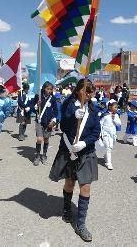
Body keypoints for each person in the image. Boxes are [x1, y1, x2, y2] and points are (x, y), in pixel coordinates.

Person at [49, 79, 101, 242]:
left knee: (85, 187)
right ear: (79, 90)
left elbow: (96, 131)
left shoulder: (93, 108)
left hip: (86, 152)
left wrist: (85, 142)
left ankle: (81, 224)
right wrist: (73, 117)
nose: (90, 94)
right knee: (70, 183)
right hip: (68, 149)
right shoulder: (68, 104)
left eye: (92, 91)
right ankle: (66, 209)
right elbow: (63, 126)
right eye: (87, 91)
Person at [33, 81, 58, 166]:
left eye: (51, 89)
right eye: (48, 89)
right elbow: (33, 108)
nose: (49, 91)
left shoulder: (53, 98)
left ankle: (44, 155)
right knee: (40, 139)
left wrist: (54, 121)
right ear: (44, 88)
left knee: (46, 139)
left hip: (49, 122)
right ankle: (37, 156)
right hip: (39, 121)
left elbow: (56, 111)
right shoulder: (38, 96)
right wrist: (36, 105)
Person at [100, 99, 121, 170]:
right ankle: (109, 163)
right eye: (115, 107)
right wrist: (99, 134)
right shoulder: (105, 115)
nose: (116, 108)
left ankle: (106, 156)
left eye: (117, 107)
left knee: (110, 147)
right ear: (109, 107)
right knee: (108, 147)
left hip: (113, 134)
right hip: (105, 134)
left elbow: (119, 124)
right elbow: (100, 124)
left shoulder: (116, 115)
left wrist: (114, 118)